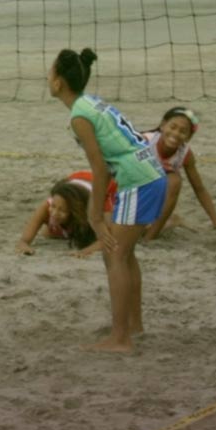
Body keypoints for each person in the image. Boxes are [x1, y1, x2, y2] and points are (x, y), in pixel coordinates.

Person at [48, 47, 167, 353]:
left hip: (138, 180)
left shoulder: (79, 116)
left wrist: (95, 215)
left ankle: (120, 338)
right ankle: (133, 326)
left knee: (115, 256)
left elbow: (99, 169)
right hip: (148, 174)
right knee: (123, 254)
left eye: (50, 73)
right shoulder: (91, 101)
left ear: (59, 82)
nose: (48, 78)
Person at [140, 107, 216, 241]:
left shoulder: (184, 154)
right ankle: (168, 221)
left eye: (183, 131)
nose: (175, 134)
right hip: (131, 190)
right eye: (173, 127)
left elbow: (199, 188)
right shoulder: (143, 142)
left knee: (175, 181)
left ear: (189, 137)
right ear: (163, 125)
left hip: (153, 194)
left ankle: (150, 237)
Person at [14, 172, 104, 257]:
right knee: (48, 233)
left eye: (62, 211)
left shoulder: (93, 212)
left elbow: (108, 241)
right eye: (53, 206)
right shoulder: (46, 207)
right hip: (74, 182)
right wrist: (24, 246)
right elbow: (24, 241)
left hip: (98, 186)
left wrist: (86, 251)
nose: (54, 213)